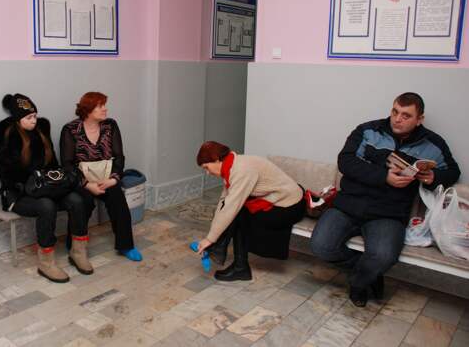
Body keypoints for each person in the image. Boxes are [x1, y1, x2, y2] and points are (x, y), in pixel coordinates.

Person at [310, 92, 460, 307]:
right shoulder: (368, 131)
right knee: (321, 246)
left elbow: (453, 172)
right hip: (348, 205)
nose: (397, 119)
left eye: (406, 115)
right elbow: (346, 161)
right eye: (395, 112)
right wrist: (384, 177)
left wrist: (433, 177)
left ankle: (359, 284)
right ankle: (370, 274)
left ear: (419, 119)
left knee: (383, 256)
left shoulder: (433, 144)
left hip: (389, 213)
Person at [0, 93, 94, 284]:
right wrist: (31, 182)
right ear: (18, 119)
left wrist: (51, 181)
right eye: (29, 117)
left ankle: (78, 252)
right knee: (46, 205)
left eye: (35, 116)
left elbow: (52, 166)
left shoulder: (41, 133)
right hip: (18, 194)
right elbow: (6, 175)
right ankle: (46, 262)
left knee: (77, 200)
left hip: (46, 188)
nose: (34, 120)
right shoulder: (8, 137)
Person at [195, 141, 306, 281]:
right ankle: (222, 252)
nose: (207, 172)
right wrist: (211, 237)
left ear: (216, 159)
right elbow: (223, 204)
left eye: (206, 167)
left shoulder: (241, 170)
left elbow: (231, 207)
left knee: (239, 214)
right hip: (278, 199)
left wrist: (210, 239)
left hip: (290, 206)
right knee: (236, 212)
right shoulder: (231, 167)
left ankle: (239, 267)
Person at [60, 92, 143, 261]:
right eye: (100, 106)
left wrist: (113, 179)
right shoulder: (70, 130)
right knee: (83, 202)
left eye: (104, 105)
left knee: (117, 198)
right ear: (87, 110)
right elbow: (67, 164)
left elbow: (119, 156)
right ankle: (74, 242)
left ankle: (126, 245)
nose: (105, 109)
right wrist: (86, 184)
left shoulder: (110, 125)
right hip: (82, 180)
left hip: (107, 177)